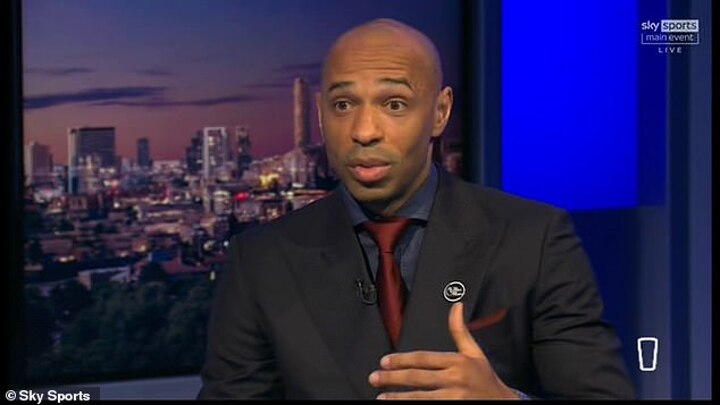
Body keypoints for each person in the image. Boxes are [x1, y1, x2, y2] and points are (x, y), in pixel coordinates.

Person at [198, 18, 635, 400]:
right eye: (343, 105)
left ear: (440, 113)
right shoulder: (261, 260)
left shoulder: (534, 238)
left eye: (394, 104)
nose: (364, 131)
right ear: (321, 115)